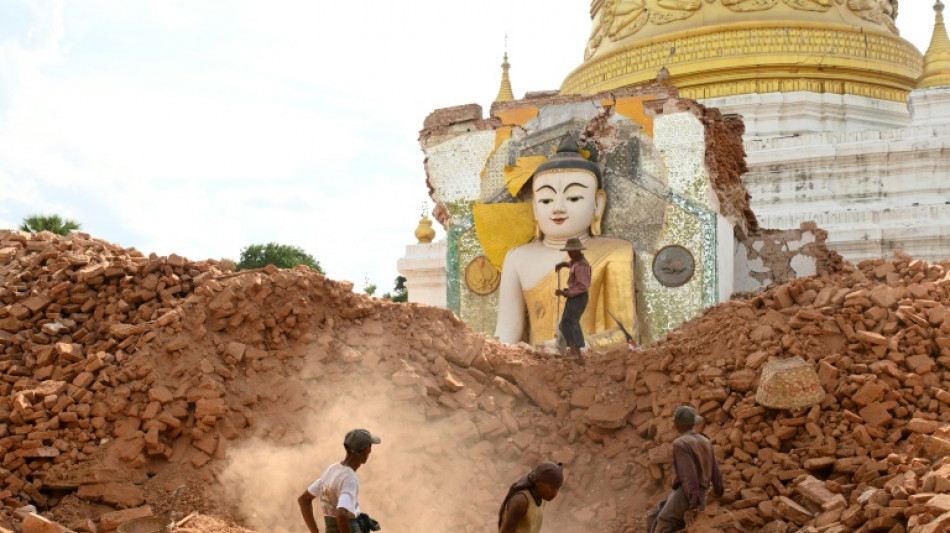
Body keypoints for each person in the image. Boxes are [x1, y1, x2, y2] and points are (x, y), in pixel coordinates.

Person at [494, 135, 636, 350]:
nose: (558, 208)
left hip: (591, 364)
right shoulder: (517, 258)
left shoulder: (616, 252)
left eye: (574, 198)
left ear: (598, 204)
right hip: (535, 363)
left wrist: (582, 347)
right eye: (546, 200)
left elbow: (626, 335)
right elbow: (506, 334)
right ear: (534, 207)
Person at [646, 407, 724, 533]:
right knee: (653, 517)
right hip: (699, 494)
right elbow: (716, 473)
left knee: (663, 524)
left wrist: (693, 506)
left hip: (687, 495)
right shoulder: (705, 441)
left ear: (677, 425)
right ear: (693, 423)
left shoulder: (680, 443)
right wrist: (717, 492)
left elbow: (689, 476)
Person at [298, 429, 381, 533]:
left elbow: (303, 500)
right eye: (369, 447)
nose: (370, 451)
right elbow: (341, 513)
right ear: (365, 451)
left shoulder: (331, 470)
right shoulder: (350, 478)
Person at [497, 462, 564, 533]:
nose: (555, 493)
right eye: (551, 488)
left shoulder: (541, 500)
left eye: (557, 488)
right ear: (537, 482)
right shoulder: (521, 501)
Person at [555, 238, 591, 361]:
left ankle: (575, 352)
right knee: (569, 322)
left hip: (578, 297)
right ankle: (576, 353)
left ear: (577, 251)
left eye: (571, 251)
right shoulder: (577, 261)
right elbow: (573, 265)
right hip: (575, 296)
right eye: (568, 252)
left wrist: (565, 293)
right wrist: (565, 264)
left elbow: (583, 286)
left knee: (569, 322)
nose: (569, 254)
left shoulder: (582, 265)